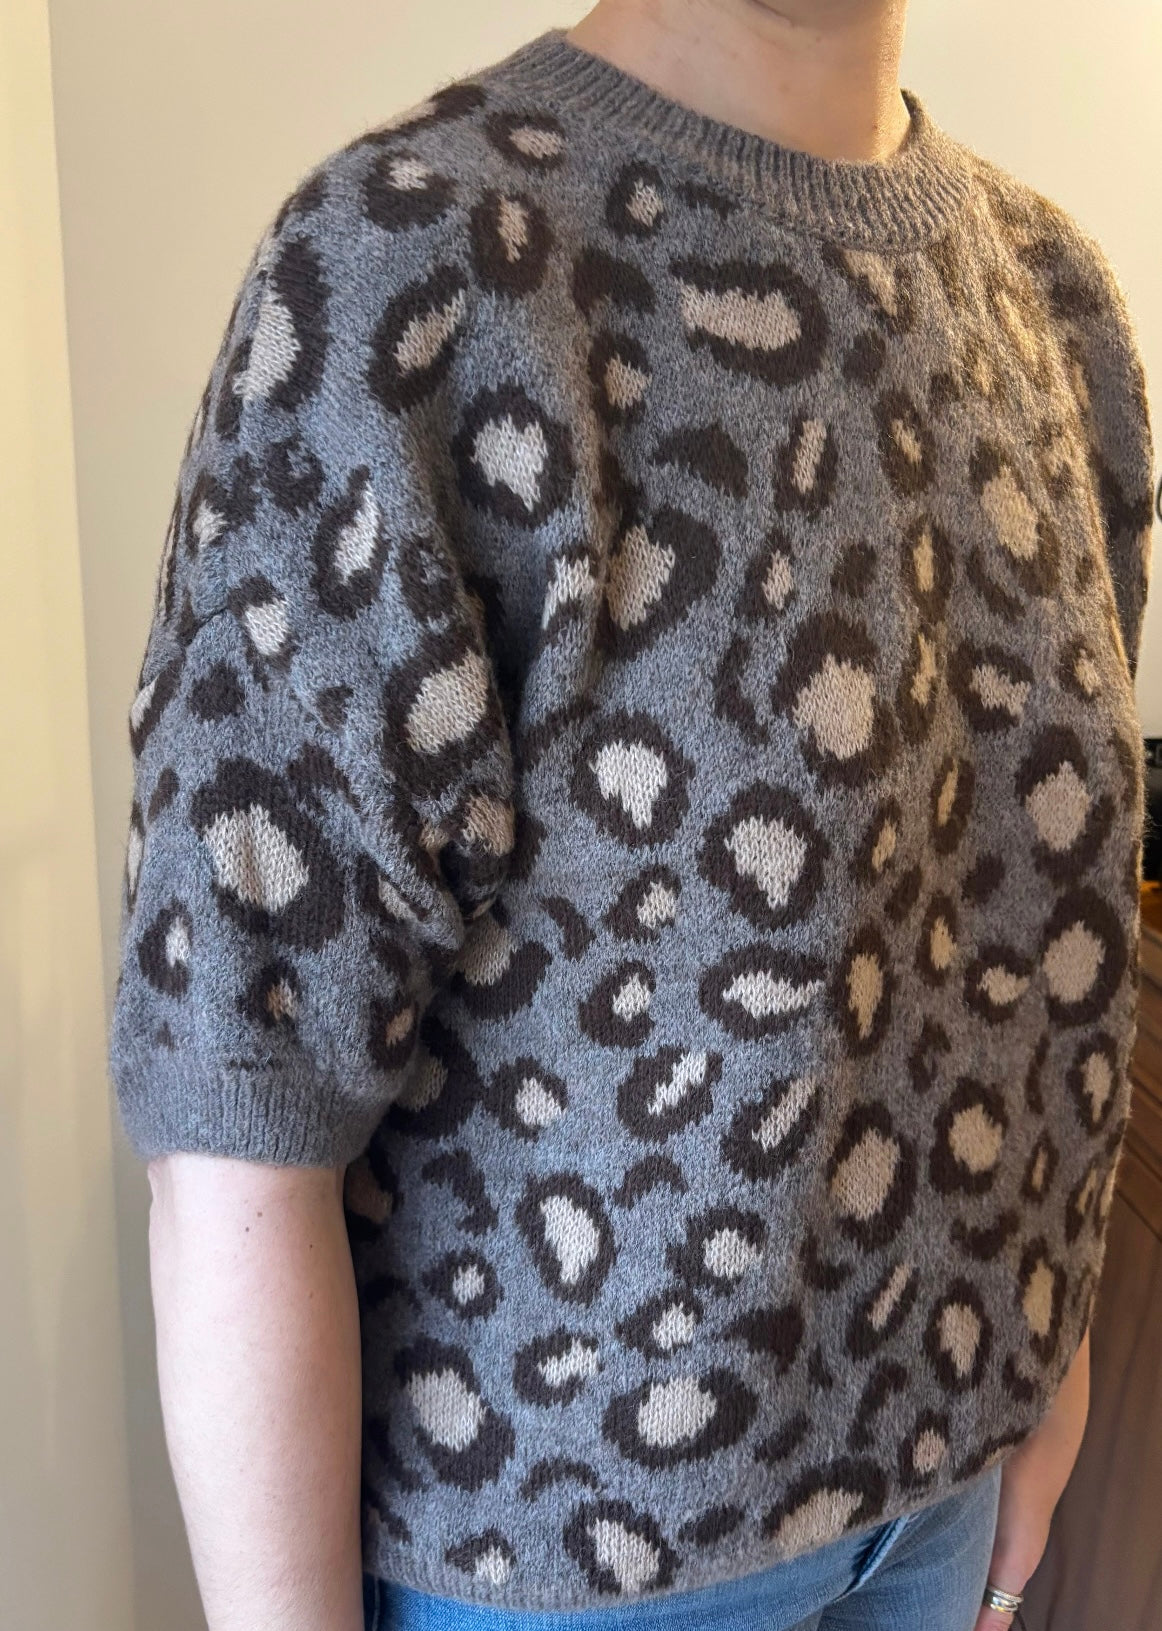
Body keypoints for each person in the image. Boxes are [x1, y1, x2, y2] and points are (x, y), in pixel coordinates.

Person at [107, 2, 1154, 1629]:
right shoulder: (416, 265)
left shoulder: (1049, 295)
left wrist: (1046, 1349)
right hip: (560, 1565)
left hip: (940, 1494)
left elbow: (1034, 920)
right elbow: (238, 1098)